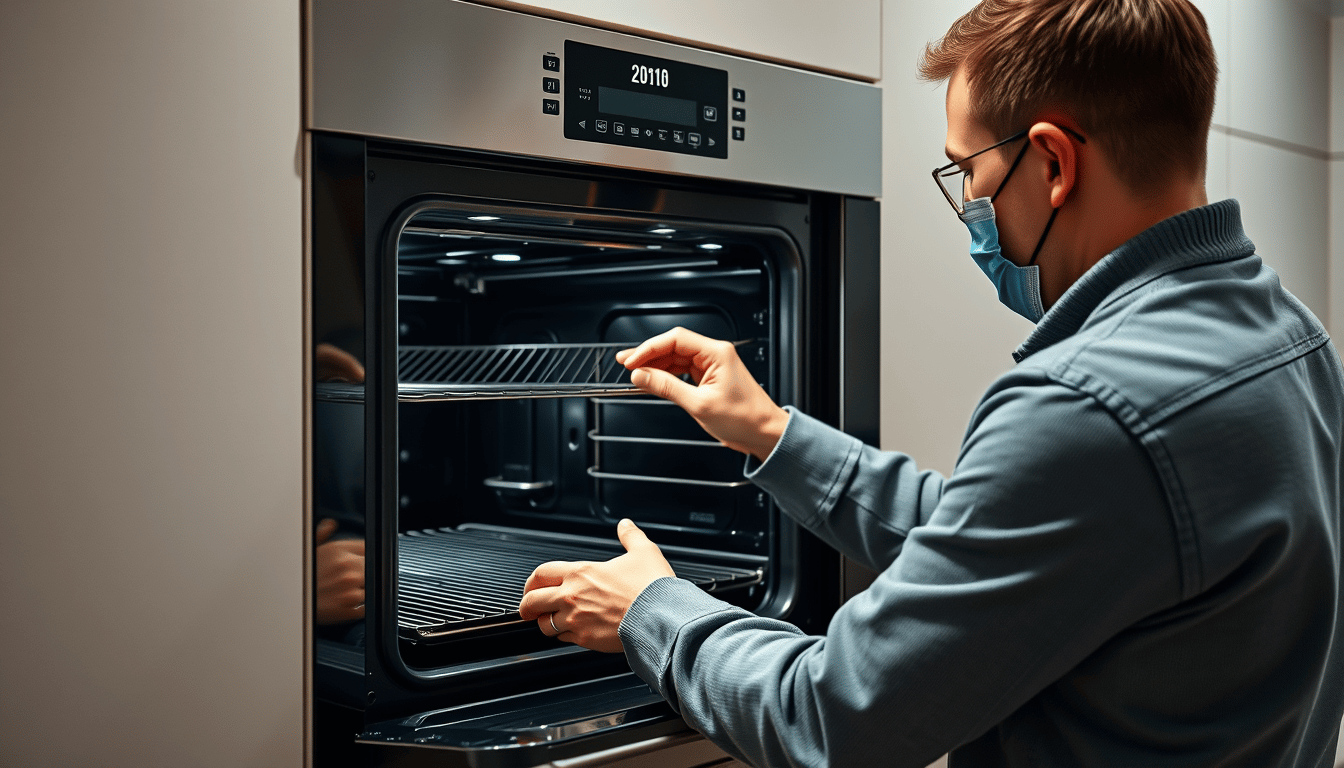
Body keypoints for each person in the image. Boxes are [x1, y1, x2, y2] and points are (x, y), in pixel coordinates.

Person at [518, 1, 1344, 765]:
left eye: (970, 174)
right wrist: (773, 433)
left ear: (1053, 162)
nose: (974, 208)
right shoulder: (1290, 339)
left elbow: (833, 718)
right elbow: (1007, 547)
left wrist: (651, 611)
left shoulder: (1088, 403)